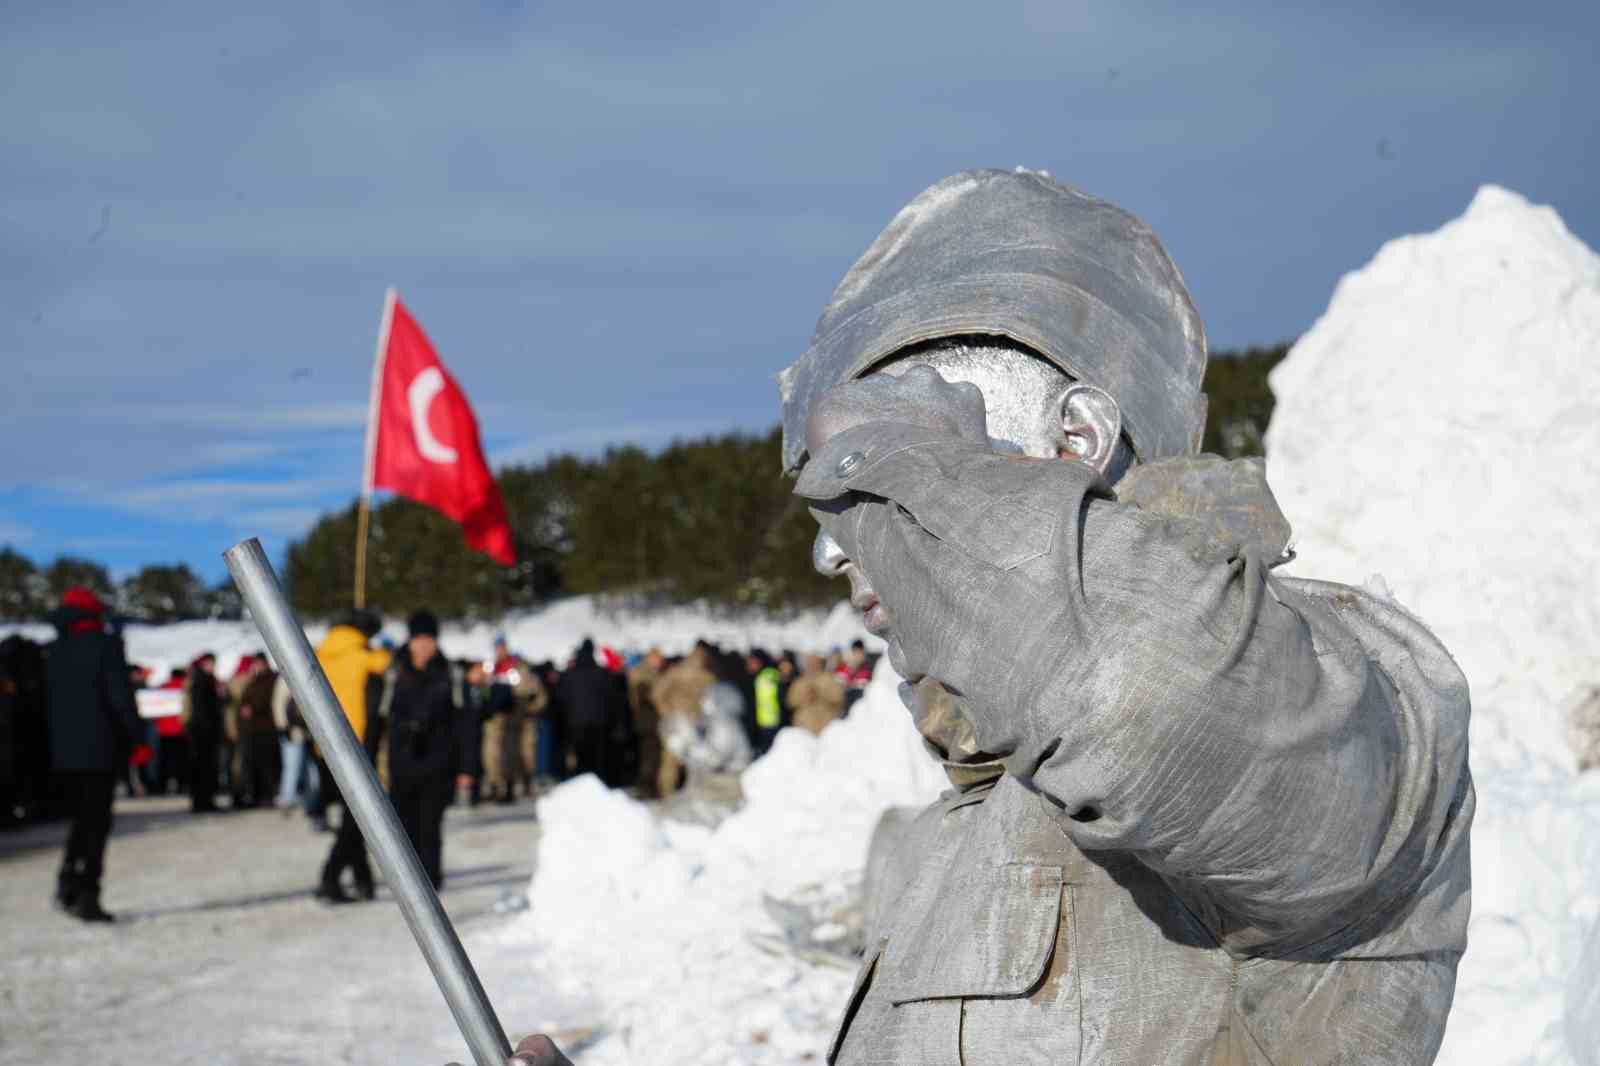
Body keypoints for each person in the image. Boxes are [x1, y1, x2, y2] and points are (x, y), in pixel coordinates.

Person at [508, 170, 1476, 1064]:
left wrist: (905, 470)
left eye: (892, 447)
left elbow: (1146, 694)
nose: (836, 549)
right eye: (831, 503)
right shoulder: (962, 823)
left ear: (1075, 440)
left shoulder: (1356, 699)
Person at [42, 586, 145, 922]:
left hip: (62, 754)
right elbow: (120, 698)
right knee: (96, 823)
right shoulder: (105, 646)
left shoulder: (54, 650)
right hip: (100, 750)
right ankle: (88, 894)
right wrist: (137, 739)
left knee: (80, 821)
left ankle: (68, 882)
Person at [378, 611, 478, 890]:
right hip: (403, 762)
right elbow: (379, 719)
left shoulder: (451, 674)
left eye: (428, 639)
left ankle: (431, 884)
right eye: (418, 639)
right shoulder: (393, 672)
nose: (423, 646)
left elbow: (466, 725)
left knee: (430, 826)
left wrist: (468, 768)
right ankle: (408, 883)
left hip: (439, 764)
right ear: (410, 641)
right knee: (404, 828)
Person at [314, 608, 391, 904]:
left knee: (355, 815)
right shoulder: (361, 654)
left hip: (326, 746)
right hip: (357, 745)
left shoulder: (322, 653)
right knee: (357, 818)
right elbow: (386, 664)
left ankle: (363, 880)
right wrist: (380, 649)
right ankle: (330, 877)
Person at [482, 635, 546, 804]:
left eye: (502, 647)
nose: (500, 651)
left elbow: (536, 693)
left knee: (523, 752)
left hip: (519, 716)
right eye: (497, 647)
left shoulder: (518, 667)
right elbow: (484, 691)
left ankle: (523, 782)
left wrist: (529, 708)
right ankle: (497, 786)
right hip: (498, 718)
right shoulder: (491, 669)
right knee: (493, 753)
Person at [554, 639, 628, 783]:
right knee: (597, 759)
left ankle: (581, 786)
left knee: (580, 758)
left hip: (575, 723)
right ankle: (596, 787)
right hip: (598, 723)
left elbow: (560, 698)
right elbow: (612, 698)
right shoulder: (601, 673)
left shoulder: (570, 675)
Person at [649, 642, 716, 796]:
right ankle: (691, 794)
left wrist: (665, 711)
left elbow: (656, 694)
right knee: (694, 761)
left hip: (675, 722)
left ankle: (667, 793)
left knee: (670, 761)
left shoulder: (675, 672)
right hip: (694, 724)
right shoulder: (708, 676)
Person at [233, 655, 280, 808]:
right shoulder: (253, 680)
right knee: (253, 765)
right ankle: (255, 795)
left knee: (267, 765)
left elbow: (268, 699)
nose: (257, 667)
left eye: (260, 664)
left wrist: (253, 708)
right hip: (252, 730)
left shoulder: (271, 679)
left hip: (266, 728)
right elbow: (244, 700)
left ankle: (268, 795)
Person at [184, 653, 225, 812]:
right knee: (204, 767)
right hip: (203, 732)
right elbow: (203, 708)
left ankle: (202, 800)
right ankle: (203, 801)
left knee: (201, 767)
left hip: (200, 731)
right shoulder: (203, 680)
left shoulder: (199, 679)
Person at [626, 647, 667, 798]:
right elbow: (646, 699)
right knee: (650, 755)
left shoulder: (641, 673)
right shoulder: (644, 675)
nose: (660, 662)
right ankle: (647, 787)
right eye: (657, 659)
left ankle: (648, 786)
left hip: (647, 721)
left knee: (649, 754)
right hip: (648, 722)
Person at [786, 652, 845, 736]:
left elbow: (839, 699)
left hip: (825, 729)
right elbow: (790, 702)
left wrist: (820, 694)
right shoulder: (799, 681)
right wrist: (804, 697)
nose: (812, 665)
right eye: (809, 663)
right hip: (804, 729)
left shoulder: (829, 679)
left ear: (820, 663)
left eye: (814, 662)